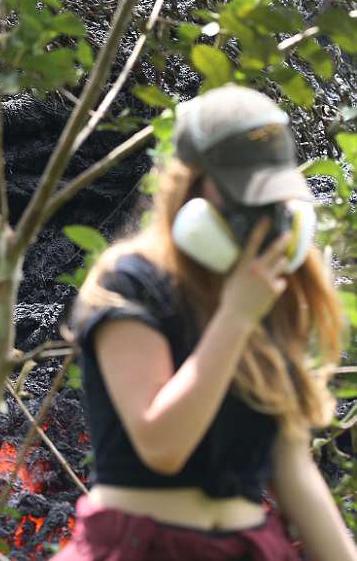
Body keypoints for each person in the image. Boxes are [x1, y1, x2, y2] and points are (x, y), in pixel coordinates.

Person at [51, 84, 357, 560]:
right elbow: (162, 446)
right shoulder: (131, 282)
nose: (259, 215)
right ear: (191, 186)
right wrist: (235, 316)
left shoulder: (268, 291)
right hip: (141, 547)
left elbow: (291, 466)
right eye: (242, 194)